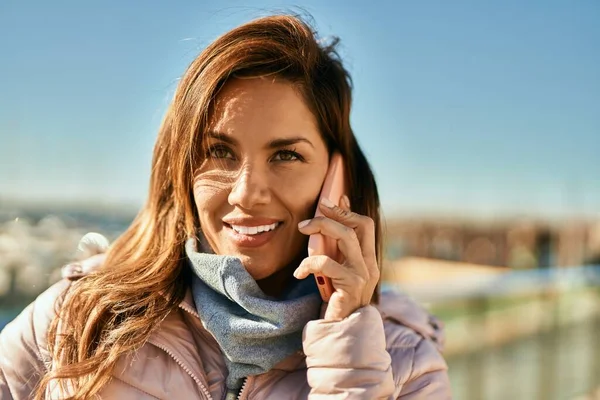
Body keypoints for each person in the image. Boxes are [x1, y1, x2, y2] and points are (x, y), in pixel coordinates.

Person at [0, 15, 451, 399]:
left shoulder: (403, 365)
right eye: (219, 152)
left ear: (337, 177)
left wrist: (351, 357)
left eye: (286, 155)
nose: (245, 194)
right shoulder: (75, 318)